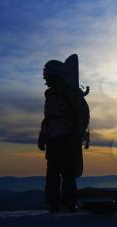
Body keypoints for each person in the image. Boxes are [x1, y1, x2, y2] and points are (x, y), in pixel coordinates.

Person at [37, 60, 84, 213]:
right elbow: (49, 118)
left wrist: (78, 133)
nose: (46, 80)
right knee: (53, 172)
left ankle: (68, 203)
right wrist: (43, 135)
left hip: (67, 138)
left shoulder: (70, 93)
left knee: (67, 173)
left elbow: (82, 114)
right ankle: (54, 203)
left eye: (48, 76)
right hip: (53, 138)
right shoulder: (51, 95)